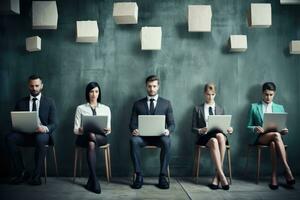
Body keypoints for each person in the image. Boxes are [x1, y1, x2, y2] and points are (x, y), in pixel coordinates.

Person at [6, 74, 57, 185]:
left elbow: (54, 124)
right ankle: (21, 172)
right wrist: (19, 126)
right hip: (25, 135)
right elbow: (15, 121)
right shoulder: (20, 102)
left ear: (41, 86)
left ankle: (36, 175)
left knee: (40, 139)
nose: (34, 88)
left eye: (37, 86)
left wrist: (45, 128)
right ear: (28, 86)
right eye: (31, 86)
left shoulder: (50, 102)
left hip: (41, 135)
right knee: (9, 138)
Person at [129, 75, 175, 189]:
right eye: (149, 86)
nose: (152, 89)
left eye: (154, 86)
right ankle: (139, 176)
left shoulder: (166, 103)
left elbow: (172, 124)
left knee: (167, 141)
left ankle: (162, 176)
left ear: (158, 87)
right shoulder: (137, 104)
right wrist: (134, 130)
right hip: (142, 138)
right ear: (146, 86)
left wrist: (168, 131)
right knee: (133, 141)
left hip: (160, 137)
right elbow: (132, 123)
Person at [247, 82, 295, 190]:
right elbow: (248, 125)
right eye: (266, 94)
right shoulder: (254, 107)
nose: (268, 97)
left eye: (271, 95)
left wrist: (284, 130)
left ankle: (274, 176)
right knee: (276, 136)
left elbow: (282, 125)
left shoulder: (279, 107)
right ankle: (287, 169)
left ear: (274, 94)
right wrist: (255, 128)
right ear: (262, 93)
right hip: (261, 137)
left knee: (274, 141)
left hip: (275, 138)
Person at [192, 83, 232, 190]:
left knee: (220, 136)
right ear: (204, 94)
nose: (210, 97)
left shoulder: (220, 108)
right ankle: (222, 175)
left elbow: (225, 125)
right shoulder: (197, 108)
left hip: (219, 135)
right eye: (208, 94)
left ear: (215, 94)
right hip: (204, 137)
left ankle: (217, 176)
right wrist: (201, 130)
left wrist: (229, 129)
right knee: (214, 140)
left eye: (212, 94)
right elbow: (193, 128)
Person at [73, 82, 111, 194]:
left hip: (101, 138)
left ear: (99, 93)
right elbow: (75, 129)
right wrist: (80, 130)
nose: (94, 94)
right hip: (83, 138)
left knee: (92, 141)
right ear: (87, 93)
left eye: (96, 91)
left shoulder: (106, 108)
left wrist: (107, 130)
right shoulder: (80, 108)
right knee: (90, 138)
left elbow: (109, 130)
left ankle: (92, 179)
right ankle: (94, 179)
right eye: (91, 91)